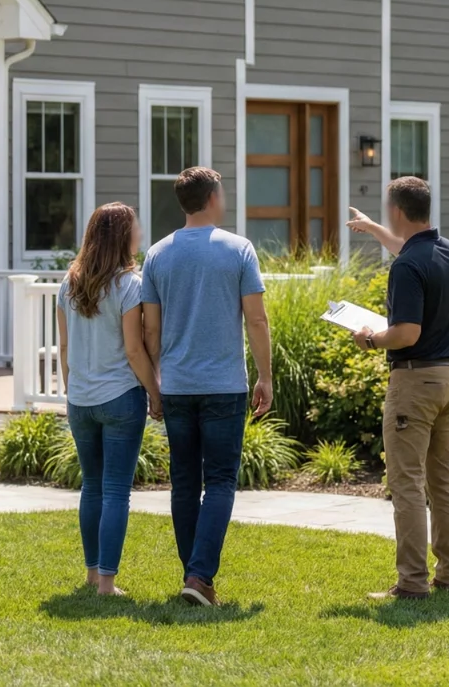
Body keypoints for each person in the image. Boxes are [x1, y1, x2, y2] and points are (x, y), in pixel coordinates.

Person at [141, 167, 272, 608]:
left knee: (183, 483)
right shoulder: (239, 249)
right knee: (218, 482)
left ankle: (194, 577)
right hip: (223, 386)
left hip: (177, 385)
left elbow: (151, 331)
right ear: (213, 197)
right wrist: (265, 376)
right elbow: (256, 319)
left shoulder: (157, 255)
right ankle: (198, 577)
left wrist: (156, 382)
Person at [347, 177, 449, 600]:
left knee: (408, 483)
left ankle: (412, 583)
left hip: (416, 381)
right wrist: (373, 229)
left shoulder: (406, 266)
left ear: (397, 211)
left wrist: (371, 339)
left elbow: (407, 333)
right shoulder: (447, 252)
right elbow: (410, 251)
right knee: (442, 480)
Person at [57, 202, 161, 597]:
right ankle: (107, 584)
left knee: (92, 486)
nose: (140, 234)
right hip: (120, 397)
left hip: (80, 400)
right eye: (136, 228)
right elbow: (135, 351)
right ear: (123, 236)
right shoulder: (129, 285)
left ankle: (90, 574)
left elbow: (64, 348)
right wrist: (155, 391)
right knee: (116, 490)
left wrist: (72, 392)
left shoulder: (69, 282)